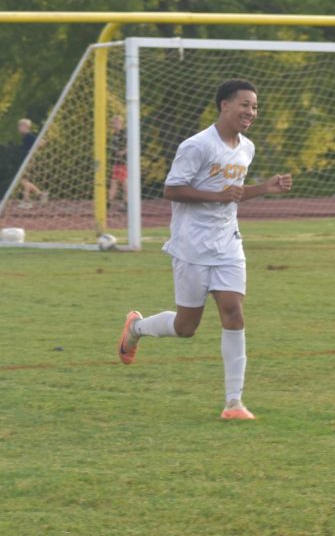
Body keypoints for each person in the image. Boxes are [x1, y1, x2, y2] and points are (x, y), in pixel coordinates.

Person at [117, 79, 292, 420]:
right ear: (224, 105)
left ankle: (234, 402)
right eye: (245, 105)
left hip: (228, 243)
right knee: (186, 327)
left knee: (234, 313)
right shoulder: (197, 146)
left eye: (255, 107)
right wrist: (217, 196)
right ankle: (136, 328)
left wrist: (265, 188)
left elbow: (234, 193)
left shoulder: (247, 148)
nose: (251, 112)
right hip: (192, 244)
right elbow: (171, 190)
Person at [16, 117, 47, 202]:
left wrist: (32, 151)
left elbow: (42, 142)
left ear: (25, 126)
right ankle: (40, 194)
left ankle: (26, 199)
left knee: (24, 180)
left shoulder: (29, 136)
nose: (19, 128)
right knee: (24, 181)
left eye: (20, 126)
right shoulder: (25, 137)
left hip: (27, 161)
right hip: (25, 160)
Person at [108, 115, 127, 209]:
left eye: (116, 122)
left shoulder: (124, 134)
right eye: (114, 123)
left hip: (124, 163)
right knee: (114, 182)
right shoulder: (115, 135)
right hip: (117, 162)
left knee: (123, 183)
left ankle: (126, 203)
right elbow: (114, 150)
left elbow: (131, 145)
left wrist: (123, 152)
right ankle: (109, 203)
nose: (115, 124)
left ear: (121, 123)